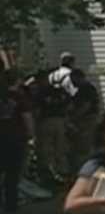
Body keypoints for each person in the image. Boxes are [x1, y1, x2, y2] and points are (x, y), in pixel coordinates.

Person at [1, 72, 36, 213]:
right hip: (15, 138)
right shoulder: (17, 96)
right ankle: (11, 203)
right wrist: (31, 134)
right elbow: (26, 116)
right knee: (12, 173)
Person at [41, 52, 77, 183]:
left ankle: (50, 171)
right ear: (72, 62)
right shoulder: (70, 75)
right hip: (62, 115)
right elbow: (73, 94)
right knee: (61, 145)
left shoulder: (51, 76)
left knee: (48, 146)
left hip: (47, 116)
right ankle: (63, 173)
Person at [67, 68, 102, 176]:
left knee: (84, 148)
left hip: (87, 120)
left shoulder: (86, 89)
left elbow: (86, 106)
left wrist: (75, 118)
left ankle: (85, 173)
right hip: (85, 120)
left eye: (73, 79)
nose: (72, 82)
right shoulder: (82, 89)